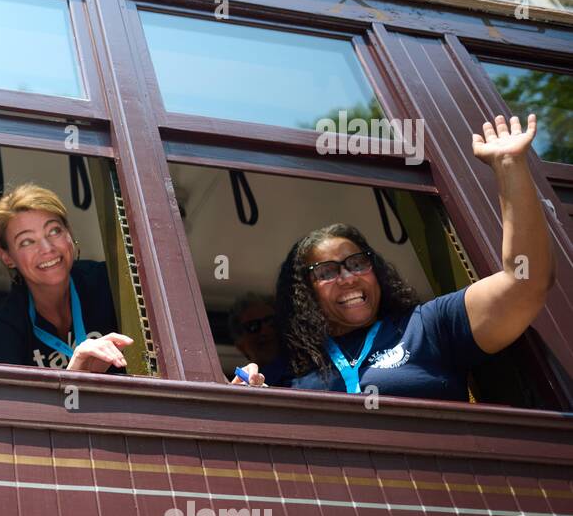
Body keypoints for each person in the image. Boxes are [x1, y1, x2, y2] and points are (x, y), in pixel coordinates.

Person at [234, 114, 554, 401]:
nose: (349, 276)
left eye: (358, 262)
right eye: (328, 270)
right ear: (304, 292)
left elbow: (525, 283)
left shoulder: (426, 325)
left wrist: (510, 166)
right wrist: (251, 399)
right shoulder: (289, 371)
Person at [0, 183, 132, 372]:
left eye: (54, 231)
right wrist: (76, 370)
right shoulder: (5, 328)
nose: (47, 248)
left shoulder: (109, 281)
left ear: (69, 233)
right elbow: (11, 402)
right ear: (7, 257)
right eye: (27, 241)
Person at [225, 292, 290, 386]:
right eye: (253, 326)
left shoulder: (309, 372)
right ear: (241, 346)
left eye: (270, 322)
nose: (264, 331)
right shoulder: (245, 383)